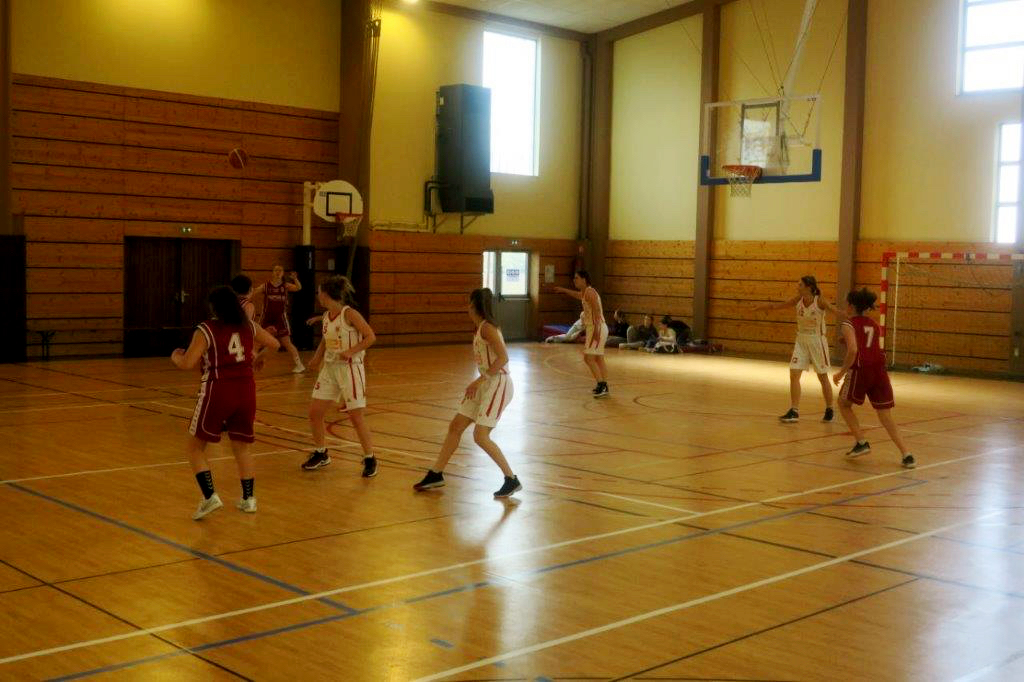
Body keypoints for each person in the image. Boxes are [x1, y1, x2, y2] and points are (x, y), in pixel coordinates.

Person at [171, 286, 280, 520]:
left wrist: (175, 357)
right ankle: (249, 499)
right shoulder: (248, 325)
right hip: (246, 390)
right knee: (242, 447)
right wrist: (259, 359)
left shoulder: (206, 328)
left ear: (213, 307)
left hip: (218, 389)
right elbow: (275, 344)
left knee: (194, 448)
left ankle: (210, 496)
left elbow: (188, 363)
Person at [413, 288, 521, 498]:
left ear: (473, 305)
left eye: (468, 303)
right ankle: (436, 473)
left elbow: (503, 358)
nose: (467, 307)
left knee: (480, 436)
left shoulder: (487, 328)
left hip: (498, 383)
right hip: (486, 382)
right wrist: (481, 381)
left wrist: (479, 380)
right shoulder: (480, 327)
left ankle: (511, 478)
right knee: (456, 426)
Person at [302, 275, 378, 478]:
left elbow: (370, 336)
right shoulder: (327, 315)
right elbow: (325, 340)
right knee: (315, 412)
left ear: (326, 294)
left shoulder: (350, 314)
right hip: (330, 369)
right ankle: (321, 453)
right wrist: (316, 358)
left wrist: (351, 351)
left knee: (355, 416)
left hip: (350, 368)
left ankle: (370, 458)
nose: (318, 295)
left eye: (319, 292)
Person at [834, 288, 915, 469]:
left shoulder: (848, 324)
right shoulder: (874, 324)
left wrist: (841, 372)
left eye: (847, 303)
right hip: (879, 370)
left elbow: (853, 350)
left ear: (851, 306)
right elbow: (868, 343)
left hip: (861, 370)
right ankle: (907, 454)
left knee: (843, 403)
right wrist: (847, 341)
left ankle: (861, 442)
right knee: (885, 415)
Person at [754, 275, 842, 423]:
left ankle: (830, 409)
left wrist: (852, 316)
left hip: (817, 341)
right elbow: (779, 306)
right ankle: (794, 411)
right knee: (794, 374)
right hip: (801, 340)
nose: (797, 287)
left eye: (800, 285)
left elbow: (835, 311)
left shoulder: (819, 301)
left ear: (809, 287)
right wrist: (762, 307)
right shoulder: (798, 300)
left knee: (822, 377)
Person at [553, 270, 610, 397]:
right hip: (596, 328)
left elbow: (597, 312)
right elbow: (577, 295)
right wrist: (563, 290)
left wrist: (596, 332)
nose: (574, 280)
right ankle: (604, 385)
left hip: (597, 328)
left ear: (584, 279)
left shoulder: (590, 292)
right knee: (598, 358)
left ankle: (601, 384)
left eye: (576, 278)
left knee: (588, 358)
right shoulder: (586, 292)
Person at [253, 265, 305, 373]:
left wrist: (295, 278)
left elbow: (298, 288)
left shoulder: (285, 285)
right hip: (266, 317)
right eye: (276, 270)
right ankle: (251, 362)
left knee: (287, 343)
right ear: (272, 272)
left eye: (280, 270)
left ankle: (299, 365)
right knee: (258, 341)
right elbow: (253, 292)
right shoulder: (266, 286)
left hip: (280, 318)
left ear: (282, 273)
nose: (278, 272)